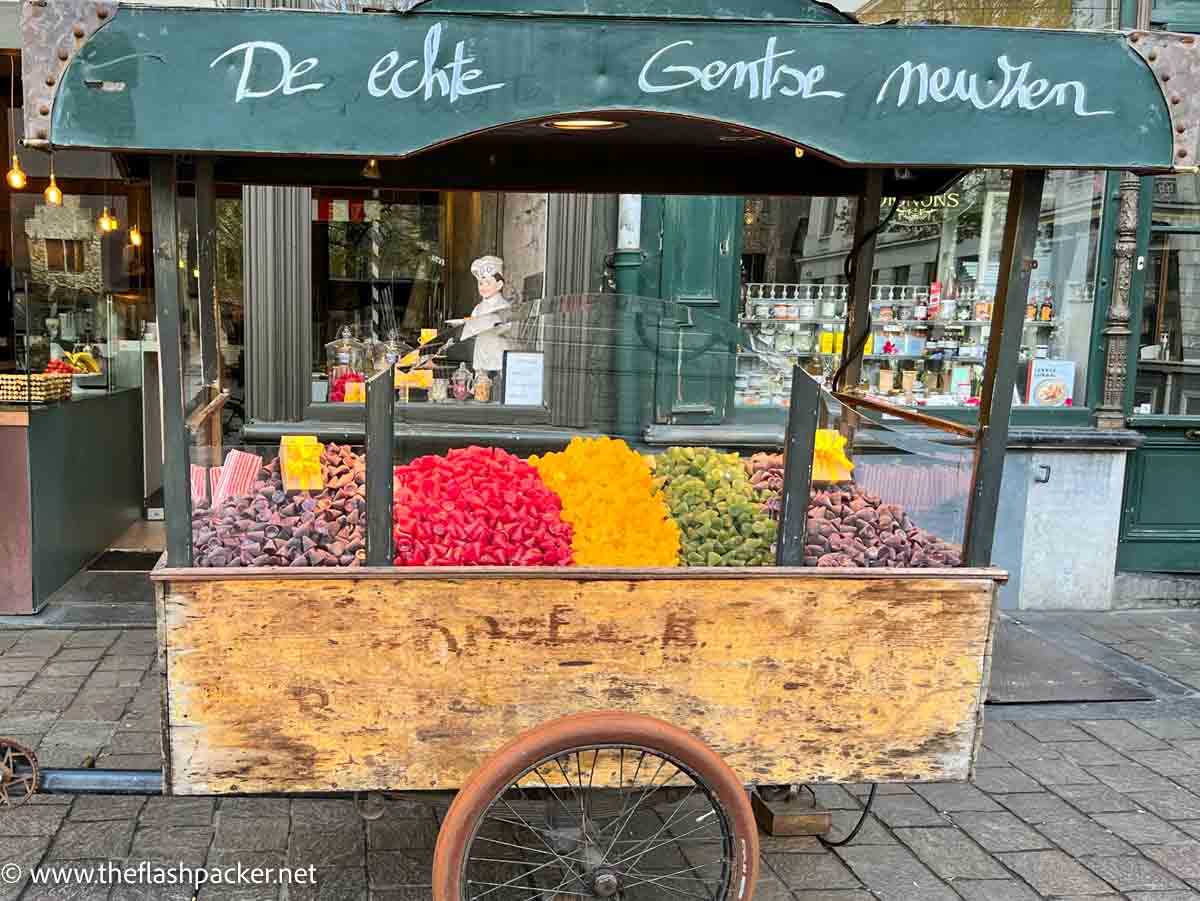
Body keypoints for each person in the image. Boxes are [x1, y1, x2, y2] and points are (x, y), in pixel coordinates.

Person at [457, 255, 511, 374]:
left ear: (499, 285)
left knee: (499, 382)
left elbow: (507, 327)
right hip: (481, 352)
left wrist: (490, 326)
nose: (483, 287)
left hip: (497, 352)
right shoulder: (478, 308)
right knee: (481, 385)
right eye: (480, 283)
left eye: (487, 283)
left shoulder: (504, 306)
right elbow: (469, 328)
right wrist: (464, 328)